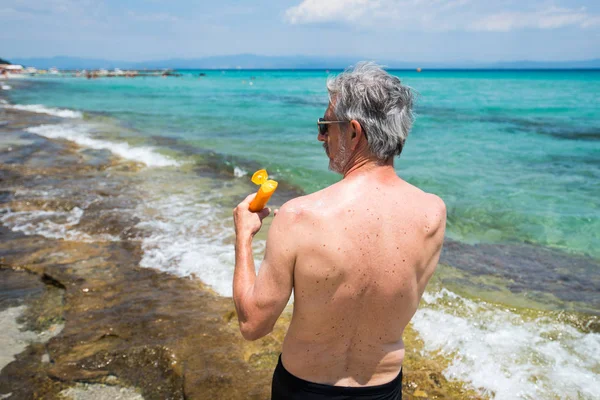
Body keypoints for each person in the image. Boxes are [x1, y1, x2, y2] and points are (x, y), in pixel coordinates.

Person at [233, 62, 446, 400]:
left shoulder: (300, 215)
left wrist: (243, 237)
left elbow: (252, 325)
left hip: (305, 389)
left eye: (324, 125)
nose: (320, 136)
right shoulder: (432, 213)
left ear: (353, 132)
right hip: (383, 389)